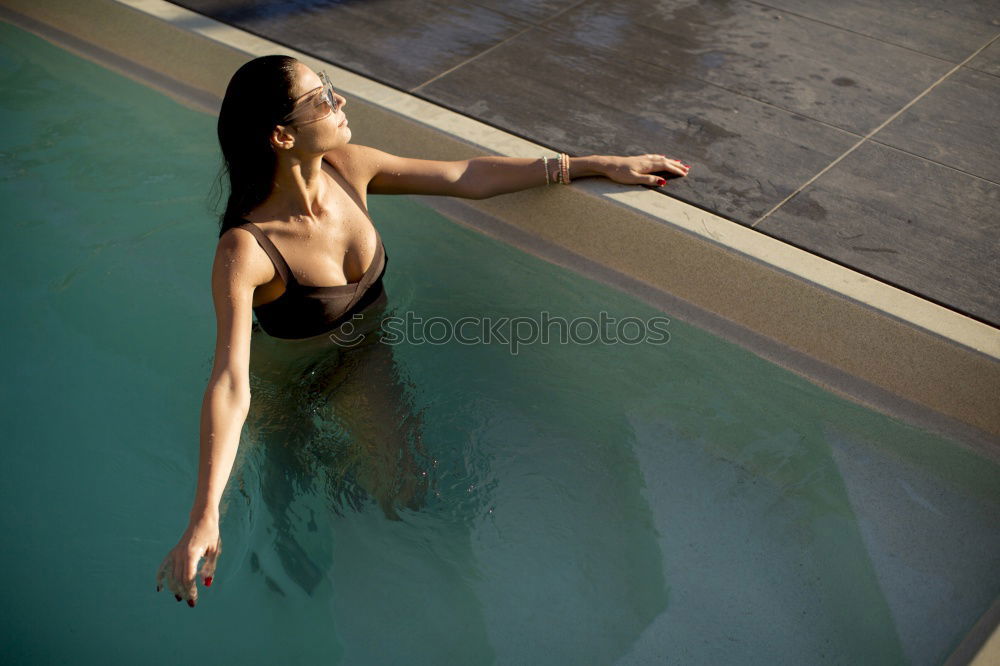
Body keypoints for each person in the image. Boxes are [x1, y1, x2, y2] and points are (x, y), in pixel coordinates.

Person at [155, 54, 690, 608]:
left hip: (359, 360)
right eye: (321, 98)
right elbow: (230, 383)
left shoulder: (348, 168)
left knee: (405, 490)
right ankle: (284, 575)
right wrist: (203, 516)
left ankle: (344, 496)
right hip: (281, 382)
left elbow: (467, 176)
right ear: (281, 135)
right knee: (286, 485)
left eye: (331, 88)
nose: (339, 101)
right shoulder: (246, 249)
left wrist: (593, 164)